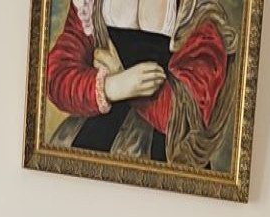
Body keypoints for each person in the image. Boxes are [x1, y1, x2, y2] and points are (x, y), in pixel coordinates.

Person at [44, 0, 238, 170]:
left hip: (163, 153)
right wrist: (112, 86)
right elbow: (56, 75)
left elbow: (189, 116)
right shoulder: (91, 4)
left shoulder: (197, 13)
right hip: (92, 139)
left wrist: (125, 78)